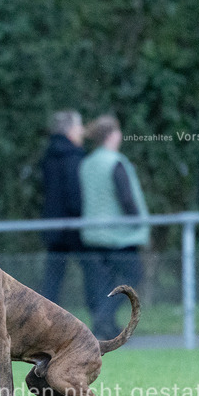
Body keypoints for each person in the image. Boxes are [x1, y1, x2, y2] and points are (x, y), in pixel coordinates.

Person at [78, 114, 150, 340]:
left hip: (93, 235)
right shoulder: (116, 162)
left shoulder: (87, 164)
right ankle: (103, 318)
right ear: (112, 135)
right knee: (132, 276)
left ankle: (106, 328)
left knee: (103, 284)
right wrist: (138, 221)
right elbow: (126, 198)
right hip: (119, 235)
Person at [39, 110, 86, 303]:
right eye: (79, 126)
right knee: (94, 270)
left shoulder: (49, 156)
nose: (82, 130)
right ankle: (102, 314)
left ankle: (43, 316)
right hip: (74, 225)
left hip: (53, 224)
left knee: (53, 278)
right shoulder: (74, 157)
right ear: (70, 129)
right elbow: (75, 194)